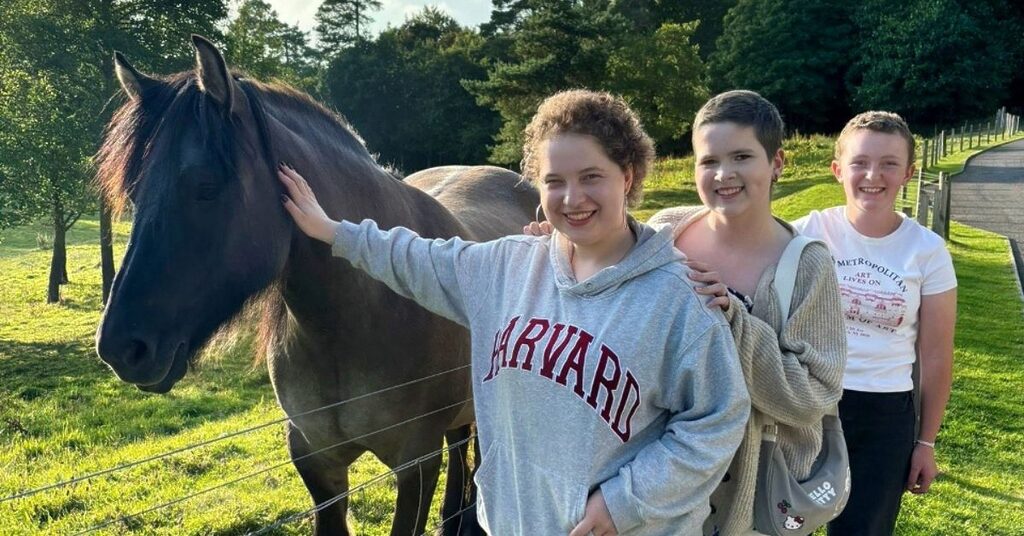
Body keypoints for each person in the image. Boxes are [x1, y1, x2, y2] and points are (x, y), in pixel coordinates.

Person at [278, 89, 750, 535]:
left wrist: (622, 502)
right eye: (554, 181)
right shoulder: (508, 267)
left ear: (627, 176)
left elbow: (718, 420)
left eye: (591, 177)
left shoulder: (678, 299)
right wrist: (332, 231)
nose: (572, 199)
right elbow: (416, 258)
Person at [525, 90, 848, 536]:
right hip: (661, 487)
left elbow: (815, 393)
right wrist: (567, 241)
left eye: (741, 157)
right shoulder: (665, 231)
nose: (723, 174)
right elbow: (605, 300)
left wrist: (735, 322)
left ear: (776, 163)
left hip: (749, 501)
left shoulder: (807, 265)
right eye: (708, 160)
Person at [791, 111, 957, 536]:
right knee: (784, 522)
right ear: (837, 170)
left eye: (889, 164)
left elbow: (935, 355)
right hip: (808, 405)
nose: (873, 175)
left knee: (864, 530)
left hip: (884, 415)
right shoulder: (806, 232)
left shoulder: (927, 250)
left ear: (908, 173)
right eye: (860, 162)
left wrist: (926, 443)